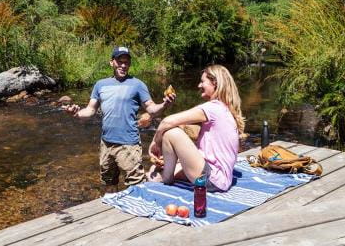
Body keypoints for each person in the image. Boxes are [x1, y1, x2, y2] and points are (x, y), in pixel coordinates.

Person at [63, 46, 176, 191]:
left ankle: (136, 212)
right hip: (106, 144)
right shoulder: (100, 85)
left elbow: (152, 110)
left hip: (128, 143)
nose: (123, 65)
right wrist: (76, 113)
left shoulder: (137, 85)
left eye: (126, 62)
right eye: (119, 61)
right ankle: (110, 211)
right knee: (108, 183)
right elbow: (90, 110)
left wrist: (165, 103)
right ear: (112, 62)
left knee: (136, 186)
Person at [148, 64, 244, 192]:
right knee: (153, 171)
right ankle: (165, 174)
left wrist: (155, 143)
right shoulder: (223, 108)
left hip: (212, 179)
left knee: (172, 133)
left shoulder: (213, 108)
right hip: (217, 177)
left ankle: (166, 179)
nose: (199, 85)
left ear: (214, 83)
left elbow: (166, 122)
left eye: (202, 81)